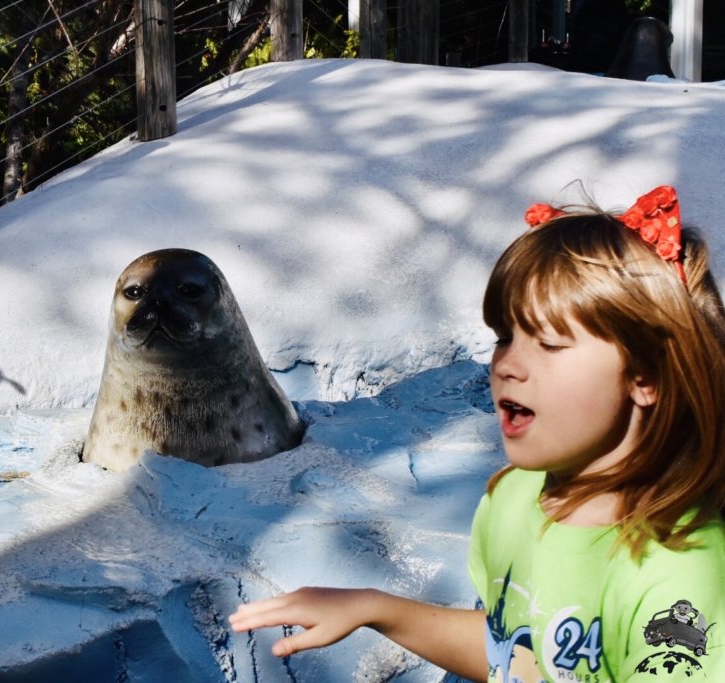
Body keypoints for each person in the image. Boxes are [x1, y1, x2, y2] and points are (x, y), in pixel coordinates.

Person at [229, 186, 725, 680]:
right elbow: (510, 653)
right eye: (506, 337)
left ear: (646, 378)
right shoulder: (511, 500)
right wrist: (377, 609)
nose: (509, 364)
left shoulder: (683, 574)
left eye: (550, 343)